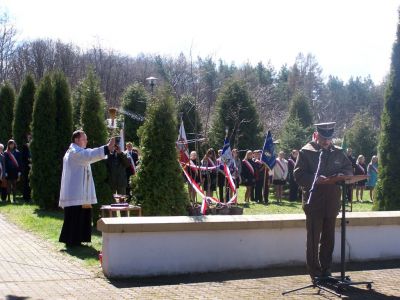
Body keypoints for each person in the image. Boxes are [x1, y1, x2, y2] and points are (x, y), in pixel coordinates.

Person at [294, 122, 353, 280]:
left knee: (329, 238)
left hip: (332, 201)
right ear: (317, 135)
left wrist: (342, 174)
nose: (326, 142)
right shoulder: (306, 152)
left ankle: (326, 270)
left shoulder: (339, 152)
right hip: (314, 202)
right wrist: (316, 179)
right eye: (323, 138)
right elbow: (298, 175)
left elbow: (349, 169)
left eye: (329, 138)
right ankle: (315, 273)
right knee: (313, 239)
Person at [59, 130, 115, 247]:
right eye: (84, 139)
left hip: (80, 192)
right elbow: (88, 155)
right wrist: (106, 148)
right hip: (76, 192)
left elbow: (88, 155)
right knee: (74, 216)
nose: (86, 141)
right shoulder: (74, 152)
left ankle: (78, 239)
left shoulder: (77, 151)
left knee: (80, 215)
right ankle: (72, 241)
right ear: (76, 140)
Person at [20, 134, 32, 202]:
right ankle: (26, 196)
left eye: (30, 137)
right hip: (26, 166)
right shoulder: (25, 146)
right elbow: (23, 156)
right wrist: (28, 160)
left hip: (33, 165)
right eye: (28, 137)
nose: (29, 138)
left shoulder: (35, 145)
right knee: (26, 181)